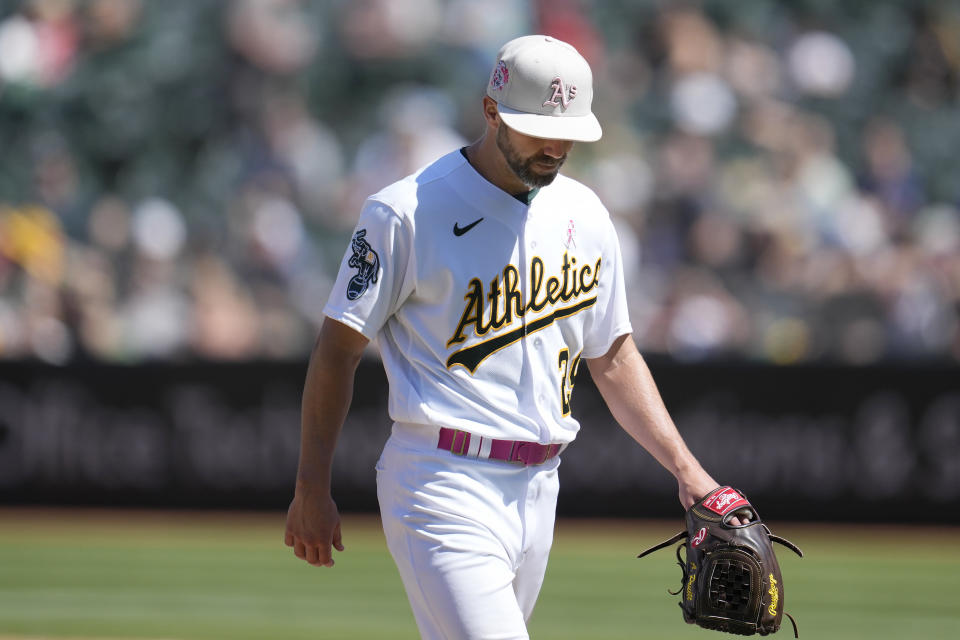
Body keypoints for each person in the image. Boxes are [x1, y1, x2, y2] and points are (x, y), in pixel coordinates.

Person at [285, 34, 731, 639]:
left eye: (567, 130)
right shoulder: (405, 212)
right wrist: (312, 485)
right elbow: (338, 349)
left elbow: (613, 355)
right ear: (490, 110)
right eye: (535, 128)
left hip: (540, 486)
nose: (554, 145)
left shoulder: (587, 214)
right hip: (440, 480)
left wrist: (687, 469)